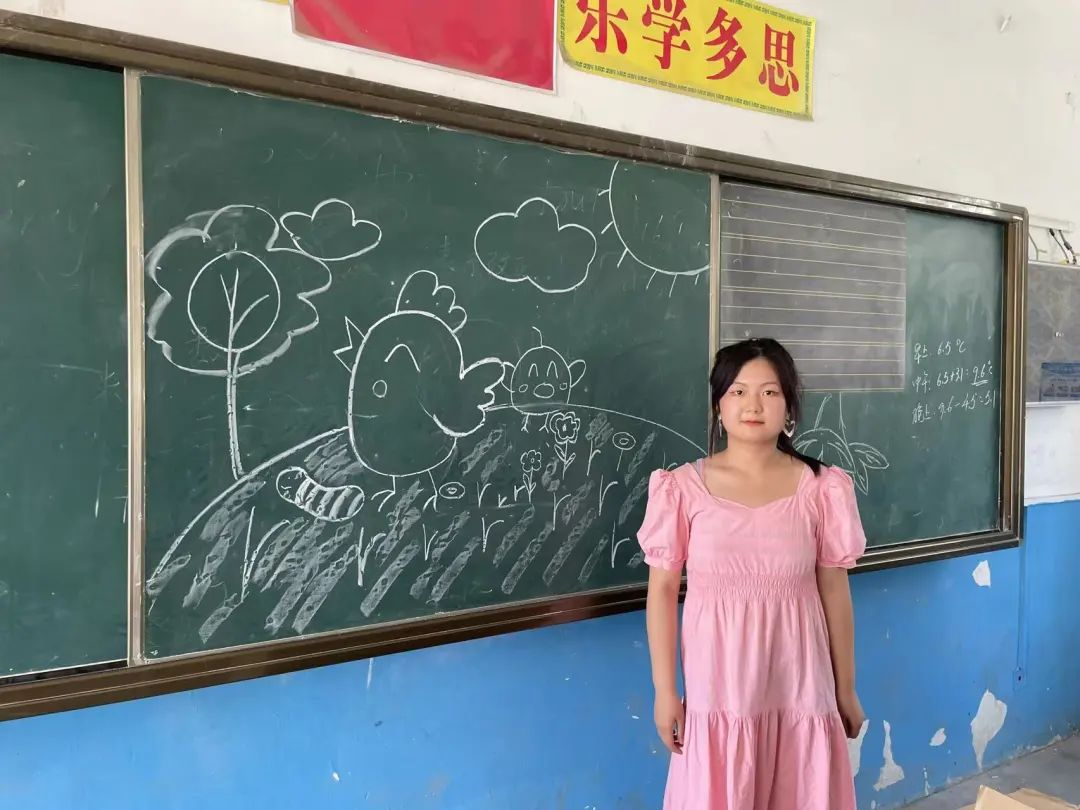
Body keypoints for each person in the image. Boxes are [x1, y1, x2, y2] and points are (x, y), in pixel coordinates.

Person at [638, 336, 867, 809]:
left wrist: (845, 687)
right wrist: (665, 692)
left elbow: (834, 590)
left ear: (789, 405)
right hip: (718, 686)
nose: (753, 405)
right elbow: (661, 592)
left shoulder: (823, 488)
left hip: (800, 682)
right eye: (738, 391)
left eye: (769, 391)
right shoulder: (681, 489)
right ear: (718, 405)